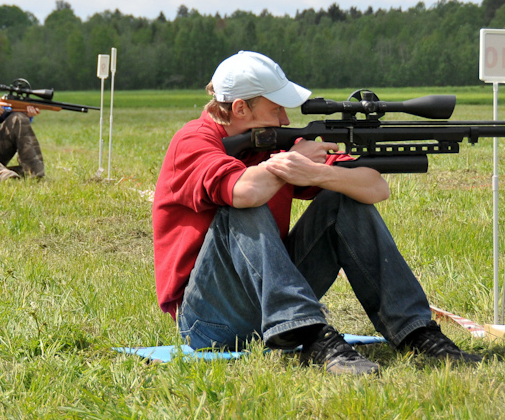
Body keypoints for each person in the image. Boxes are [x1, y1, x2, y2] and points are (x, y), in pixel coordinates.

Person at [152, 50, 481, 376]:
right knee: (241, 209)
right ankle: (311, 335)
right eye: (275, 108)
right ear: (240, 108)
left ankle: (415, 332)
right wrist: (288, 165)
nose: (284, 119)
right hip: (208, 321)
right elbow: (245, 192)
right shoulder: (193, 141)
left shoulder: (271, 144)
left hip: (266, 300)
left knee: (342, 197)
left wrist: (317, 174)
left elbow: (376, 188)